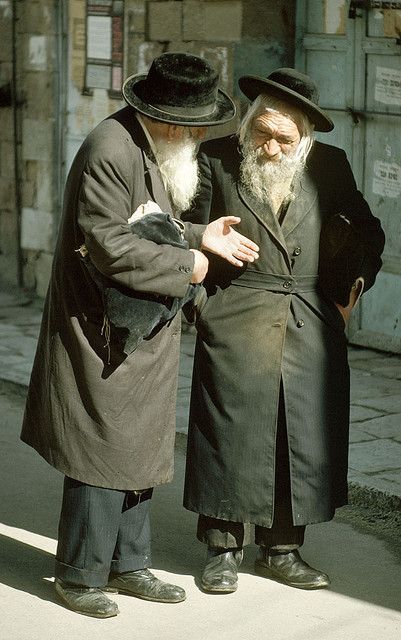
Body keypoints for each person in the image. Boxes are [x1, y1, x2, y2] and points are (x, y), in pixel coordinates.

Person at [20, 52, 259, 618]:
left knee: (140, 445)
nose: (201, 135)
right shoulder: (111, 147)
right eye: (197, 125)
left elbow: (149, 219)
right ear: (170, 120)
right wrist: (193, 265)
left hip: (141, 326)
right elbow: (108, 244)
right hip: (100, 328)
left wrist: (202, 233)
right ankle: (79, 574)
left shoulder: (154, 144)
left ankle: (129, 565)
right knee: (100, 449)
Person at [182, 67, 385, 593]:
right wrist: (201, 291)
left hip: (310, 320)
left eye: (283, 139)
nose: (270, 149)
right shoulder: (217, 159)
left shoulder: (331, 166)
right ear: (248, 125)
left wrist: (347, 294)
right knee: (230, 432)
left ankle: (282, 549)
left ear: (305, 138)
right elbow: (183, 230)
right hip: (236, 312)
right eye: (262, 134)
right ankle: (222, 549)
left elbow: (367, 232)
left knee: (298, 435)